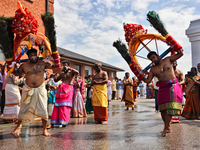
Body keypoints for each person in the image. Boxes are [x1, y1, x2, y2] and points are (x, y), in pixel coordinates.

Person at [11, 48, 53, 136]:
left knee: (43, 109)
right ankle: (19, 126)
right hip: (28, 89)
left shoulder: (43, 63)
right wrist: (13, 66)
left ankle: (44, 130)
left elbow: (55, 67)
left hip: (40, 89)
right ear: (28, 56)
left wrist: (53, 59)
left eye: (35, 54)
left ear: (37, 55)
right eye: (31, 55)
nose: (33, 56)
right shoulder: (24, 65)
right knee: (23, 108)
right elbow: (17, 74)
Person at [144, 50, 183, 137]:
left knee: (169, 107)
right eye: (151, 59)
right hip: (162, 88)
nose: (153, 60)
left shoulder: (168, 59)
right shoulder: (152, 69)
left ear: (157, 55)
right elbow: (148, 80)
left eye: (153, 57)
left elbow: (180, 54)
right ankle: (168, 127)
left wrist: (177, 48)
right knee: (162, 110)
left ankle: (165, 128)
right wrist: (140, 76)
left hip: (172, 86)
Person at [48, 60, 78, 128]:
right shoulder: (62, 74)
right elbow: (56, 80)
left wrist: (69, 68)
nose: (64, 66)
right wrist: (54, 74)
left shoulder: (72, 72)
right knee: (57, 105)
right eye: (63, 65)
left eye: (65, 65)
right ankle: (52, 123)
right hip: (61, 89)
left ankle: (63, 122)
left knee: (65, 106)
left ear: (68, 65)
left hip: (69, 89)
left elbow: (77, 72)